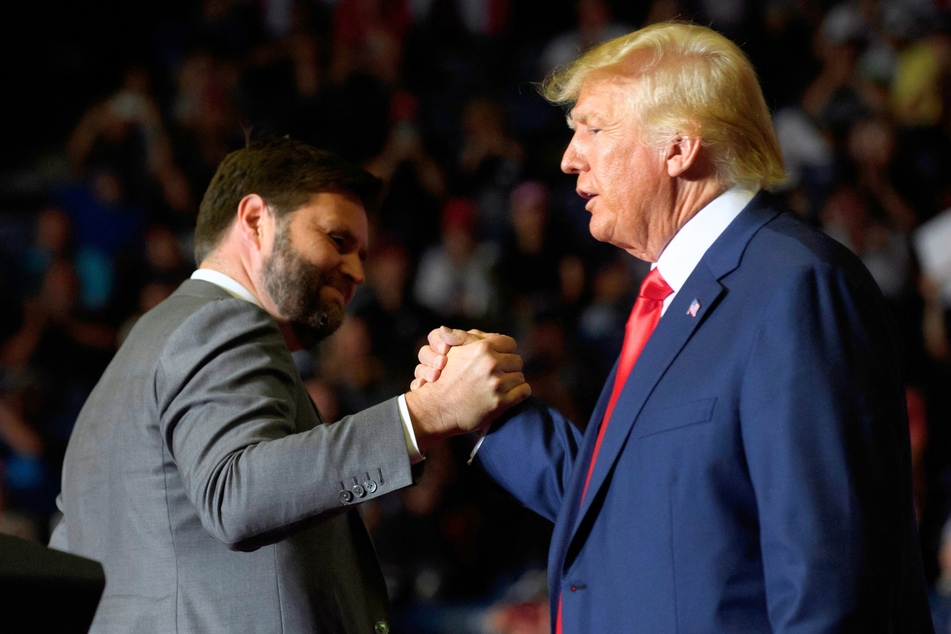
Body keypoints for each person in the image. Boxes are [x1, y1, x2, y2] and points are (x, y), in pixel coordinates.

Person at [415, 22, 933, 632]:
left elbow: (829, 580)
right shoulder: (674, 295)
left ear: (680, 147)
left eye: (594, 129)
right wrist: (491, 410)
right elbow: (636, 506)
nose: (567, 157)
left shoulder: (797, 288)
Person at [48, 137, 530, 633]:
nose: (358, 272)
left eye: (363, 253)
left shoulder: (135, 358)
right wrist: (428, 413)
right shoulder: (222, 322)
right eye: (337, 240)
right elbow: (237, 496)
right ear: (256, 221)